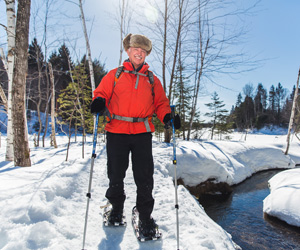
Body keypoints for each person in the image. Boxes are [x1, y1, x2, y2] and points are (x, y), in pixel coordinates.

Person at [90, 33, 180, 237]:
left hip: (142, 133)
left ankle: (145, 217)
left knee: (144, 177)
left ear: (146, 54)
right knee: (115, 174)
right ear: (128, 51)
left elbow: (161, 104)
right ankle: (116, 209)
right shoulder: (115, 74)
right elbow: (100, 93)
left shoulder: (152, 79)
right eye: (135, 49)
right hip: (116, 131)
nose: (139, 53)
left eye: (143, 51)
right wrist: (99, 101)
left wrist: (168, 117)